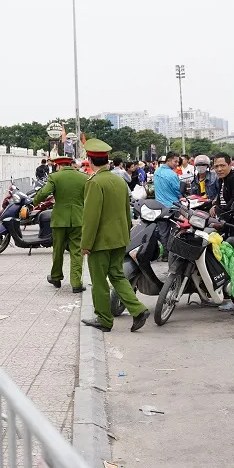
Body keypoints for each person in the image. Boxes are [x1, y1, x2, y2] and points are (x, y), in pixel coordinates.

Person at [79, 139, 149, 333]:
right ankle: (138, 309)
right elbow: (126, 211)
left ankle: (104, 319)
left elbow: (91, 217)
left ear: (90, 160)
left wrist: (86, 244)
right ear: (107, 159)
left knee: (99, 281)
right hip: (120, 238)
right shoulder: (119, 180)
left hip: (101, 242)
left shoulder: (94, 182)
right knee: (117, 276)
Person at [34, 156, 87, 293]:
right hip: (78, 218)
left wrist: (34, 202)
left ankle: (56, 277)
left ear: (58, 166)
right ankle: (76, 283)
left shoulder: (55, 177)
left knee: (58, 249)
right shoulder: (83, 177)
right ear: (70, 164)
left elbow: (44, 193)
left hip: (59, 220)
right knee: (76, 251)